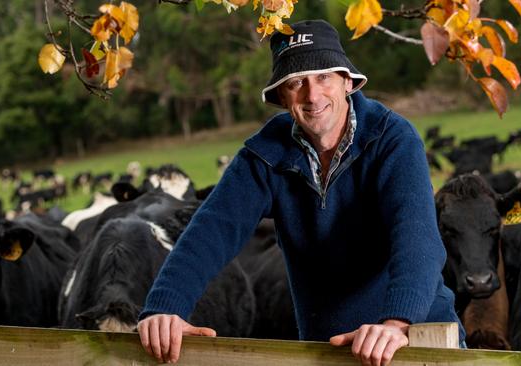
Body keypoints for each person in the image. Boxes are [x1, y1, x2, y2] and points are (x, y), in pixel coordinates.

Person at [137, 19, 463, 366]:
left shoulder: (391, 139)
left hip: (414, 339)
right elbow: (211, 230)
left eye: (324, 76)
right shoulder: (264, 155)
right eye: (296, 83)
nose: (312, 95)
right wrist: (164, 307)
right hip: (329, 350)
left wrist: (396, 323)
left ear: (347, 81)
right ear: (281, 96)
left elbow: (417, 238)